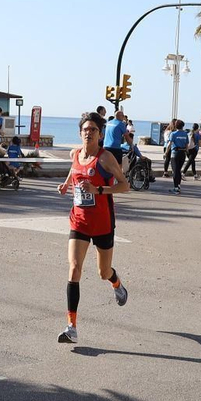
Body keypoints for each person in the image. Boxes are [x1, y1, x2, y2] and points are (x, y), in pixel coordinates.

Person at [56, 112, 131, 345]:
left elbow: (124, 186)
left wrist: (98, 190)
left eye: (93, 130)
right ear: (80, 133)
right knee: (74, 268)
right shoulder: (75, 154)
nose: (88, 133)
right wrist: (66, 185)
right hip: (79, 220)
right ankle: (71, 327)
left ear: (100, 134)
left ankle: (116, 283)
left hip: (102, 223)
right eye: (85, 129)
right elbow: (74, 169)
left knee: (103, 272)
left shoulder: (105, 158)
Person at [166, 118, 190, 193]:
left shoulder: (173, 134)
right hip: (182, 153)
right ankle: (178, 185)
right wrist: (186, 152)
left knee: (175, 171)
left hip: (175, 153)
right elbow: (187, 145)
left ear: (176, 126)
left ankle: (176, 188)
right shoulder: (185, 134)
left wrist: (166, 153)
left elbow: (169, 144)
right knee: (178, 170)